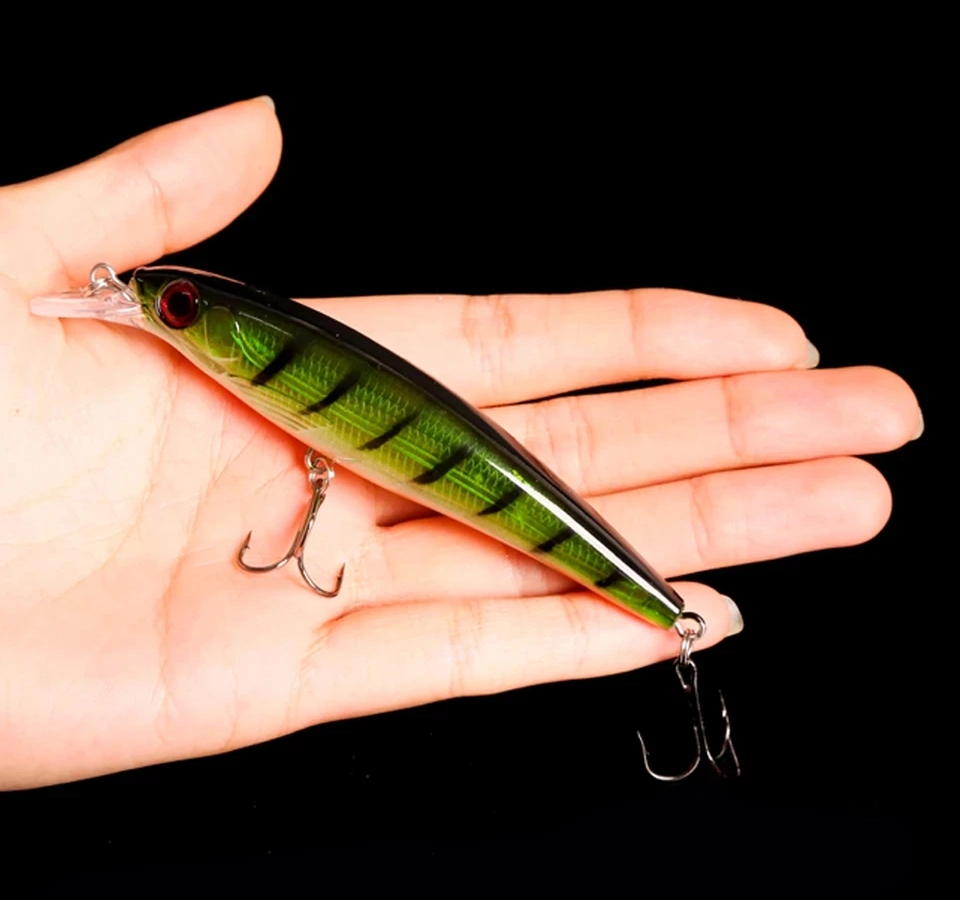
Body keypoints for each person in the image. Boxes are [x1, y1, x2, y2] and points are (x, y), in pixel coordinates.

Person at [0, 97, 921, 790]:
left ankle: (661, 607)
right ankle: (668, 615)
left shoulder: (261, 355)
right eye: (174, 306)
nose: (160, 309)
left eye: (174, 306)